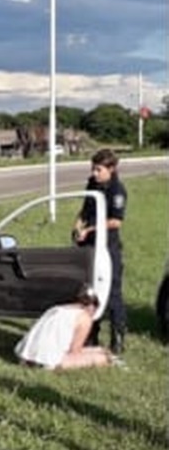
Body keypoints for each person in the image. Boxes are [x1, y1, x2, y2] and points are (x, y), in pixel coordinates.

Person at [73, 148, 127, 354]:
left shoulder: (117, 190)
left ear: (111, 169)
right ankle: (90, 335)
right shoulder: (92, 184)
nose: (94, 173)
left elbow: (116, 221)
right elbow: (85, 209)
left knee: (112, 292)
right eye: (93, 169)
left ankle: (117, 337)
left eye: (98, 170)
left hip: (107, 247)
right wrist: (78, 226)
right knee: (89, 291)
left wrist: (90, 229)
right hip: (88, 246)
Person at [15, 285, 117, 370]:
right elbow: (75, 352)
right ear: (92, 307)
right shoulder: (84, 318)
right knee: (102, 359)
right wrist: (94, 352)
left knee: (98, 353)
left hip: (25, 356)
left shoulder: (57, 309)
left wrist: (96, 349)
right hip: (48, 361)